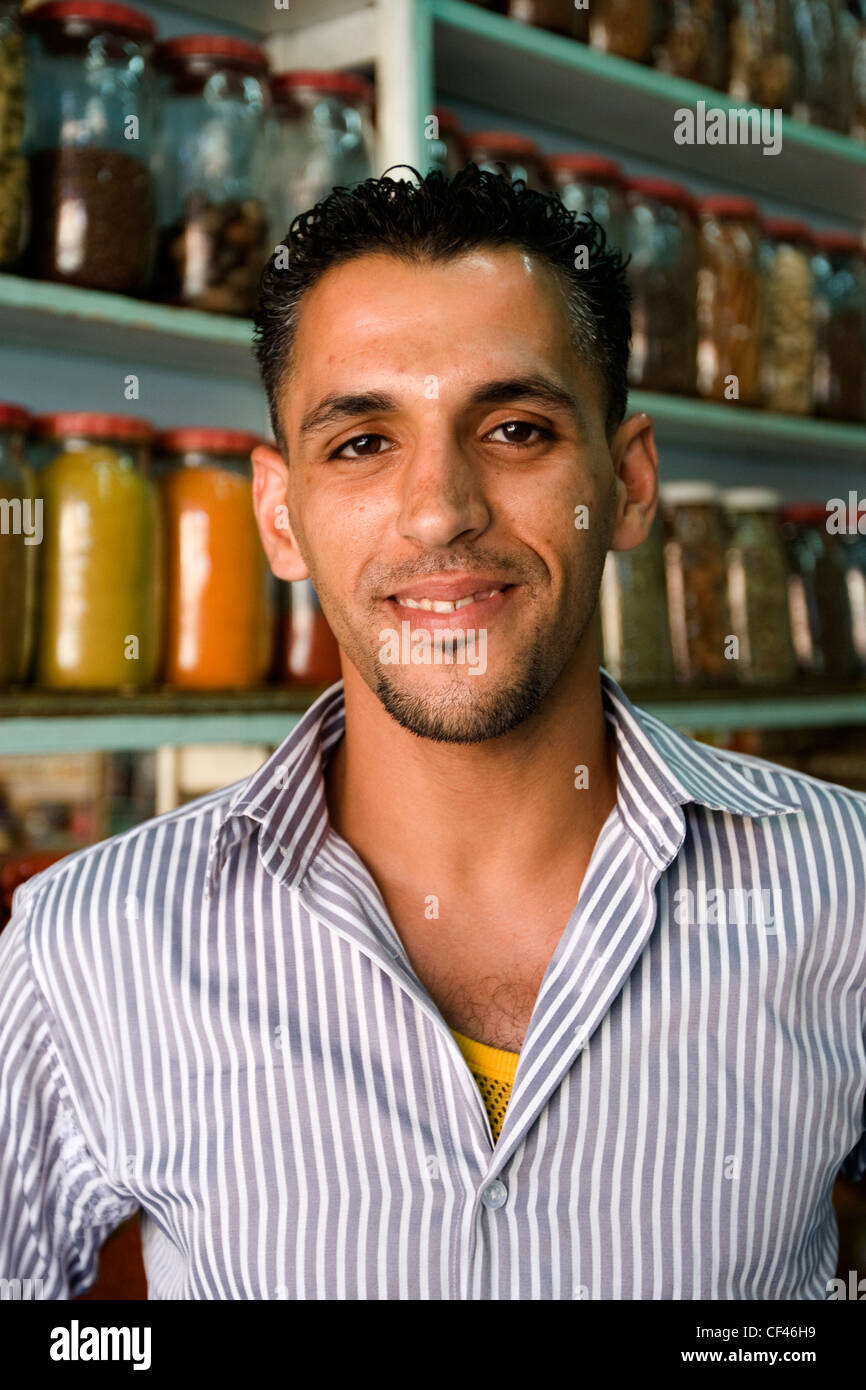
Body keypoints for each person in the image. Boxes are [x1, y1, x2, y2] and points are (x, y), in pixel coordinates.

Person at [1, 167, 864, 1301]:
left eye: (514, 429)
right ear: (279, 516)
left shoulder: (842, 885)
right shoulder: (89, 944)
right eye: (362, 442)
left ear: (627, 481)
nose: (440, 509)